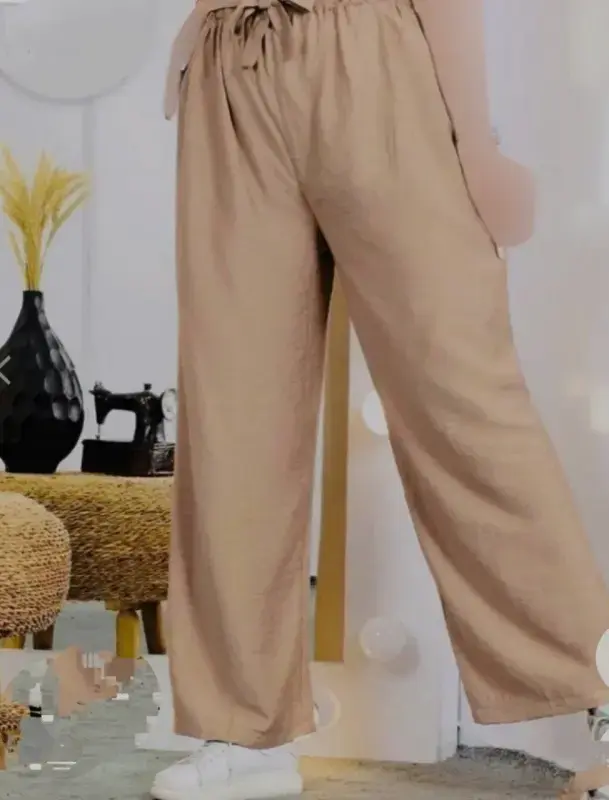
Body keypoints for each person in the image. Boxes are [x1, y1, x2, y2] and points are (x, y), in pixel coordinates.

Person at [152, 0, 609, 798]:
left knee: (460, 401)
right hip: (233, 63)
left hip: (373, 57)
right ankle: (246, 731)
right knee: (234, 415)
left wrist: (475, 145)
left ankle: (594, 687)